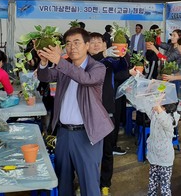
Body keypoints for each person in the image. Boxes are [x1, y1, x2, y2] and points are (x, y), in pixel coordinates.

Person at [37, 27, 114, 196]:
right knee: (63, 181)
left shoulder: (97, 68)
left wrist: (60, 61)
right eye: (68, 43)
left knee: (89, 184)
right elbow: (44, 77)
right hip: (64, 133)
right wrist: (43, 62)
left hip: (87, 135)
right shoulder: (65, 68)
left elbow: (85, 79)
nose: (72, 47)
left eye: (77, 42)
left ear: (87, 45)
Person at [88, 32, 127, 195]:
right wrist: (102, 54)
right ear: (86, 46)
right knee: (88, 152)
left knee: (107, 150)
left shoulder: (110, 63)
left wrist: (121, 56)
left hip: (108, 112)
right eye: (93, 42)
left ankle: (105, 184)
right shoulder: (85, 62)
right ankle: (87, 183)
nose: (96, 44)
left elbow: (123, 71)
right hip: (88, 113)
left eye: (100, 42)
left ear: (106, 44)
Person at [144, 102, 180, 196]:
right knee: (152, 185)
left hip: (165, 160)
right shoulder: (156, 114)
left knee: (165, 187)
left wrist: (158, 108)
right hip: (154, 157)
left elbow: (165, 121)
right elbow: (147, 108)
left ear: (165, 107)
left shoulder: (172, 118)